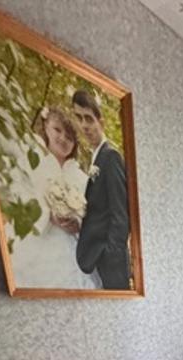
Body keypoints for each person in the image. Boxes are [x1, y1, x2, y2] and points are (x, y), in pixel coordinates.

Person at [11, 107, 102, 290]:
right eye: (57, 130)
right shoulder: (32, 163)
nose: (63, 138)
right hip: (38, 240)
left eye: (69, 137)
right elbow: (18, 196)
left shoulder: (81, 177)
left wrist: (78, 224)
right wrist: (49, 215)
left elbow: (92, 214)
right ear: (45, 128)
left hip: (72, 245)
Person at [69, 89, 131, 290]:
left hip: (110, 263)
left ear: (101, 122)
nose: (84, 125)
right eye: (79, 118)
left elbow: (121, 215)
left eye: (89, 118)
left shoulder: (110, 157)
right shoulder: (94, 157)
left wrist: (110, 254)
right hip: (95, 257)